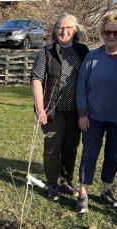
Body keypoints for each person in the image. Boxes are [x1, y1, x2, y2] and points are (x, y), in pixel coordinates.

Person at [76, 13, 117, 213]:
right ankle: (83, 193)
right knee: (89, 154)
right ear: (102, 34)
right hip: (93, 117)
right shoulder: (92, 57)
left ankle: (106, 190)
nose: (112, 36)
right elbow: (81, 88)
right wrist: (82, 114)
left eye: (116, 32)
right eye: (107, 32)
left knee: (113, 155)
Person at [31, 14, 90, 201]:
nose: (64, 31)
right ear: (55, 30)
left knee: (71, 147)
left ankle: (65, 181)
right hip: (52, 110)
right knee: (52, 147)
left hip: (76, 110)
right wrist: (40, 109)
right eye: (60, 28)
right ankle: (51, 184)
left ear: (75, 30)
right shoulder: (47, 51)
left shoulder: (83, 51)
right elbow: (36, 79)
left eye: (68, 28)